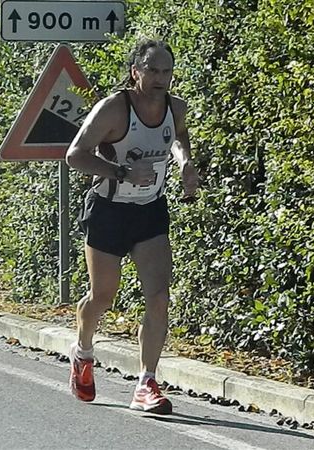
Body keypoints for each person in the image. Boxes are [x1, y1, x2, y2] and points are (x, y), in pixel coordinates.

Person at [64, 39, 199, 415]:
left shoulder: (176, 107)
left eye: (167, 71)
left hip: (149, 211)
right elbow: (75, 155)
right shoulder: (113, 109)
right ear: (135, 72)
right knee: (102, 298)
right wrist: (122, 171)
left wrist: (185, 163)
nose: (160, 78)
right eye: (152, 70)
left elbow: (178, 137)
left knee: (158, 296)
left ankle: (146, 382)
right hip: (108, 210)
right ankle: (83, 352)